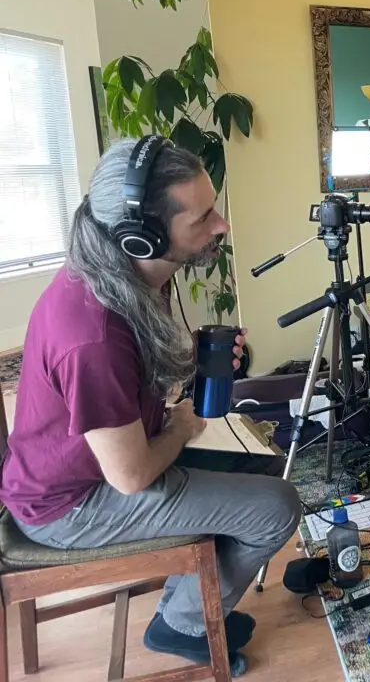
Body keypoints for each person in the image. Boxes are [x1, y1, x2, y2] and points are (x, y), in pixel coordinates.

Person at [0, 137, 302, 675]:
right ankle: (183, 624)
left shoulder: (129, 276)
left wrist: (201, 368)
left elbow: (135, 385)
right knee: (277, 506)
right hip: (71, 507)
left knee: (265, 468)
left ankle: (192, 601)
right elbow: (132, 475)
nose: (221, 226)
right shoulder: (92, 333)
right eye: (202, 218)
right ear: (142, 237)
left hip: (98, 468)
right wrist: (183, 427)